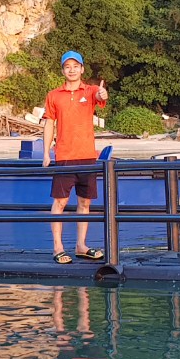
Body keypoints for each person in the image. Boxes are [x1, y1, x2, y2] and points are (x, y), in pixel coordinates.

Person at [42, 51, 108, 264]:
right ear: (63, 70)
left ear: (82, 69)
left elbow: (100, 96)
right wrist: (46, 153)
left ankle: (81, 245)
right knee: (60, 202)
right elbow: (49, 123)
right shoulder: (54, 95)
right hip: (64, 156)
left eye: (75, 66)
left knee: (84, 202)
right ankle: (58, 247)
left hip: (88, 156)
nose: (71, 70)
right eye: (67, 66)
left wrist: (102, 94)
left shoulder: (90, 91)